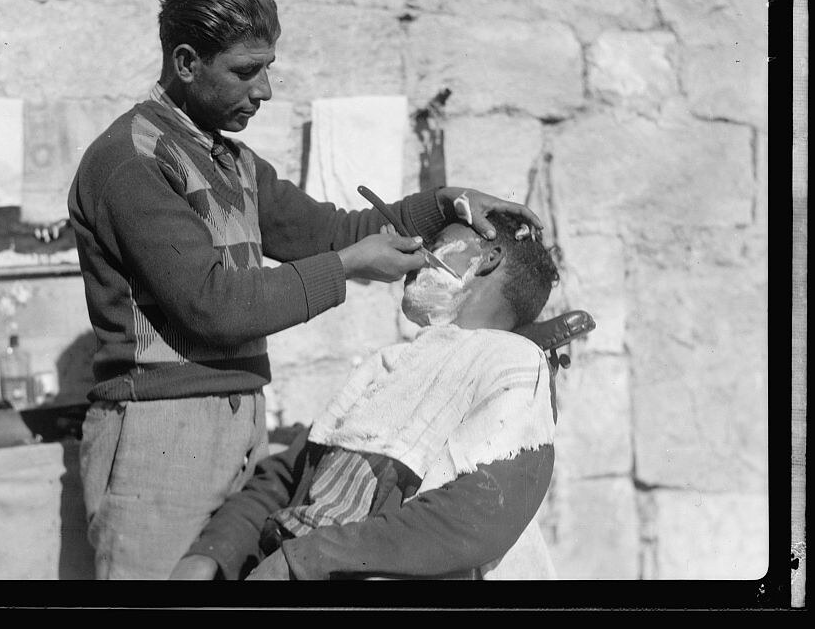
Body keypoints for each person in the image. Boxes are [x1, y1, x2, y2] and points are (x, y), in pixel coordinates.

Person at [67, 0, 544, 579]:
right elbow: (215, 306)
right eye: (245, 71)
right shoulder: (129, 161)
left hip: (235, 426)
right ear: (186, 63)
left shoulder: (231, 161)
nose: (264, 90)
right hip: (160, 441)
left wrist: (447, 202)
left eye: (268, 67)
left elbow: (332, 231)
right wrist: (348, 268)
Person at [169, 213, 561, 580]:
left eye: (437, 242)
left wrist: (299, 561)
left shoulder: (515, 363)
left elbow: (475, 516)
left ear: (487, 259)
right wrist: (212, 554)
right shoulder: (393, 362)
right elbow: (289, 475)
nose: (415, 254)